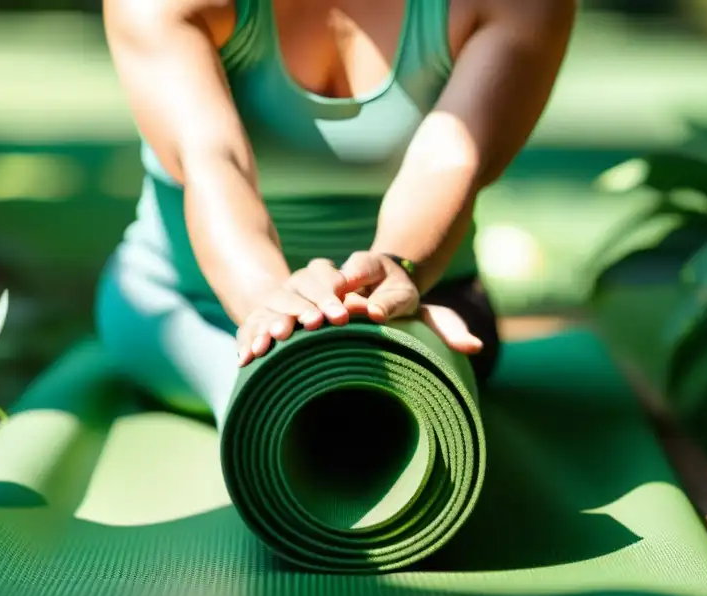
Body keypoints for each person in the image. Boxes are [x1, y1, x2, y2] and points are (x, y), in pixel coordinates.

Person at [96, 0, 575, 422]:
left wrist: (396, 272)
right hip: (189, 311)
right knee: (281, 407)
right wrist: (274, 309)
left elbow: (451, 159)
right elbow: (214, 163)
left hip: (424, 310)